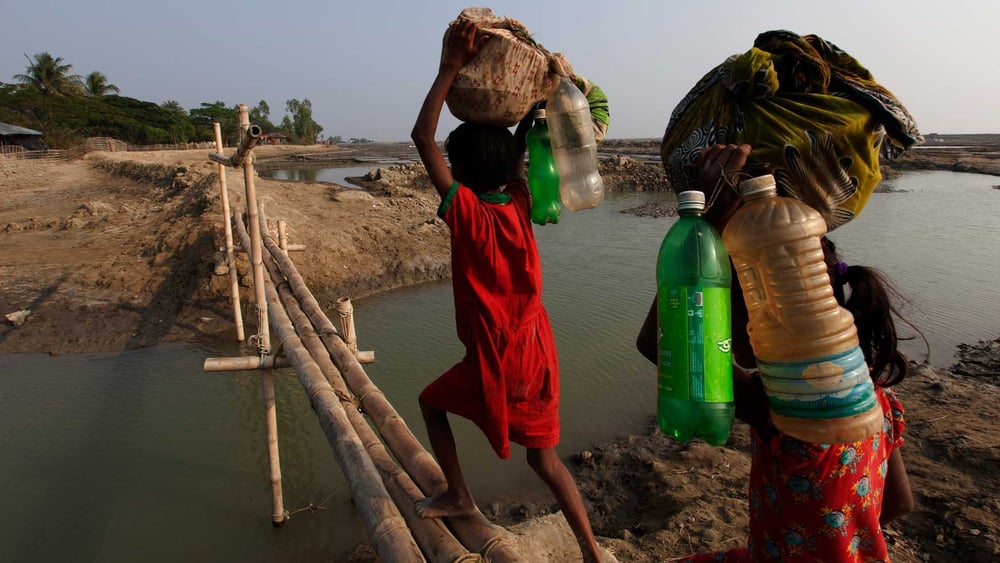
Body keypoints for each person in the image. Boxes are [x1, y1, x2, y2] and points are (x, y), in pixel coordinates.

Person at [637, 144, 915, 562]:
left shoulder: (786, 417)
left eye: (727, 312)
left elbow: (658, 344)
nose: (720, 327)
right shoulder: (879, 400)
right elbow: (898, 505)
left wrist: (706, 222)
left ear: (765, 319)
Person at [410, 19, 604, 562]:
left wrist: (450, 66)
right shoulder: (517, 201)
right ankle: (590, 550)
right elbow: (516, 153)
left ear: (462, 177)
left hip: (497, 356)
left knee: (430, 403)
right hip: (537, 352)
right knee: (545, 462)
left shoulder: (468, 214)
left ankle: (459, 492)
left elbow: (422, 138)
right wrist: (541, 103)